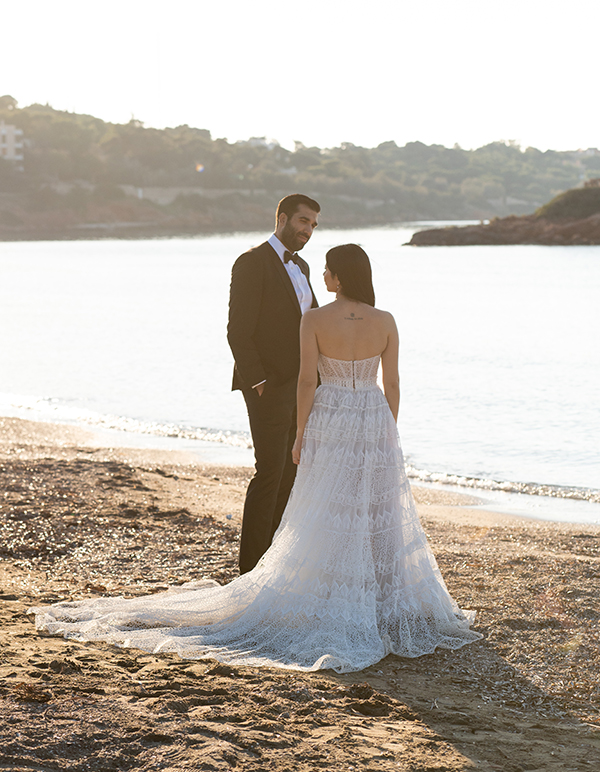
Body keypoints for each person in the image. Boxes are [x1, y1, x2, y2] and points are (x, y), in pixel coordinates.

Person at [32, 243, 481, 673]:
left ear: (339, 276)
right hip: (372, 415)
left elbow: (307, 382)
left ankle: (327, 592)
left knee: (323, 506)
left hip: (330, 415)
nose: (321, 274)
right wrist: (389, 428)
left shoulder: (315, 320)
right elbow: (394, 383)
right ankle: (383, 599)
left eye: (327, 268)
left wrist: (302, 432)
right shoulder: (385, 320)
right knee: (376, 506)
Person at [227, 193, 320, 574]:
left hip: (303, 387)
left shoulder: (304, 268)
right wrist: (260, 382)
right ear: (281, 217)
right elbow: (238, 330)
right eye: (302, 221)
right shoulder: (252, 262)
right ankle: (249, 570)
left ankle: (274, 566)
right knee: (269, 472)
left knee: (292, 471)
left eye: (313, 225)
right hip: (268, 386)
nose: (307, 230)